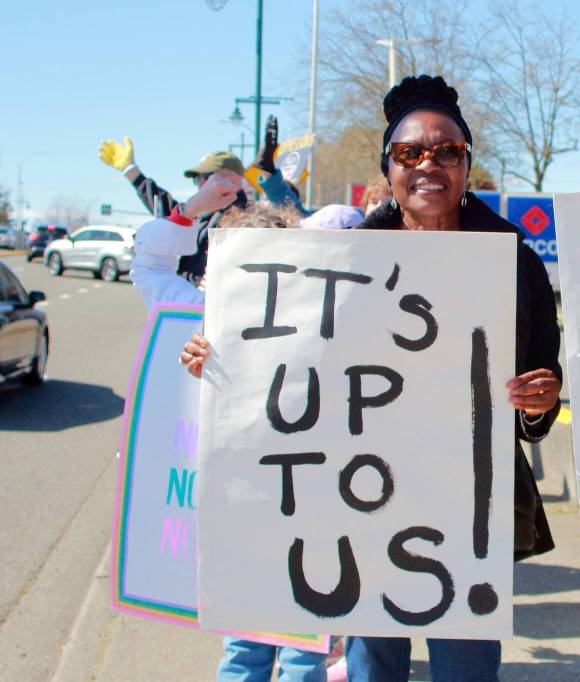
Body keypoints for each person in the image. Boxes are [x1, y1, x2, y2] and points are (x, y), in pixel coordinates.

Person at [180, 74, 563, 682]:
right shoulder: (345, 255)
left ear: (467, 164)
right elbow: (295, 368)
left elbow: (538, 391)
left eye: (447, 151)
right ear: (389, 167)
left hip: (467, 504)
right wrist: (224, 361)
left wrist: (540, 402)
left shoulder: (513, 258)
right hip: (362, 497)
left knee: (467, 668)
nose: (429, 164)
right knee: (371, 666)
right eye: (410, 153)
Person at [129, 178, 331, 682]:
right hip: (246, 512)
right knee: (247, 649)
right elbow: (150, 266)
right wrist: (194, 208)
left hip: (314, 513)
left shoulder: (328, 319)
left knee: (302, 652)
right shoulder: (201, 317)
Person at [99, 138, 248, 284]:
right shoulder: (208, 214)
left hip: (207, 303)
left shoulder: (242, 219)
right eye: (197, 179)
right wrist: (132, 173)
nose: (200, 183)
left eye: (204, 177)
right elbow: (171, 213)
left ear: (233, 179)